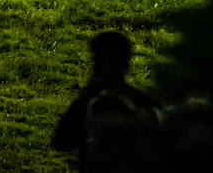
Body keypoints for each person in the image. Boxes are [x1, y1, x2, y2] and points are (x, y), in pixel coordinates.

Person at [52, 31, 163, 173]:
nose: (95, 67)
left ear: (121, 63)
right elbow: (61, 142)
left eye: (102, 59)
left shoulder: (145, 105)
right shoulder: (86, 101)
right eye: (95, 60)